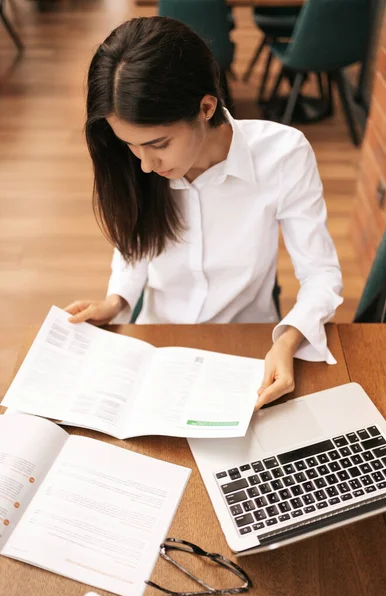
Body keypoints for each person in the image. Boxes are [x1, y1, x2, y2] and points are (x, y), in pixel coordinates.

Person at [65, 16, 343, 411]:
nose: (145, 165)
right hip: (156, 346)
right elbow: (137, 242)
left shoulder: (283, 154)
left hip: (247, 348)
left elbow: (321, 276)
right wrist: (116, 302)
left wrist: (288, 340)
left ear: (206, 107)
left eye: (158, 143)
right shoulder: (140, 164)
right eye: (132, 145)